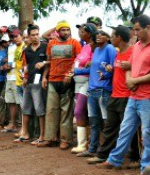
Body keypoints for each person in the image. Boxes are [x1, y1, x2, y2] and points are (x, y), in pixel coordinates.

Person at [100, 15, 150, 172]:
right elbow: (128, 65)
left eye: (137, 29)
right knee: (125, 129)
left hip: (149, 97)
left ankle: (146, 171)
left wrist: (134, 82)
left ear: (148, 28)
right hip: (134, 95)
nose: (135, 33)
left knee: (149, 134)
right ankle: (115, 160)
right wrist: (130, 81)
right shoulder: (137, 46)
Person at [88, 25, 135, 165]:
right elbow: (118, 71)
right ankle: (103, 155)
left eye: (113, 36)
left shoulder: (133, 52)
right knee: (110, 126)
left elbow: (137, 68)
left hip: (126, 95)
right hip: (115, 94)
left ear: (119, 38)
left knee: (128, 128)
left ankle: (134, 158)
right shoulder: (119, 53)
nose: (111, 38)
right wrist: (108, 73)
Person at [41, 21, 81, 149]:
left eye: (67, 30)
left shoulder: (75, 43)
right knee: (51, 110)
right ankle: (50, 138)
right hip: (53, 79)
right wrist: (44, 77)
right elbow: (49, 61)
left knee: (66, 111)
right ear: (57, 31)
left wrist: (70, 74)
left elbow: (79, 61)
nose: (65, 32)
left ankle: (65, 139)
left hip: (66, 81)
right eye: (62, 30)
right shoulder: (51, 43)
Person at [79, 29, 116, 157]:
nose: (99, 35)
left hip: (103, 90)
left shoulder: (110, 48)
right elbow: (92, 69)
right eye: (97, 34)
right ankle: (92, 149)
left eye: (103, 34)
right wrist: (75, 72)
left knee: (106, 123)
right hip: (92, 90)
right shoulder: (96, 50)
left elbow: (114, 68)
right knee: (94, 122)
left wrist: (105, 75)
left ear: (108, 37)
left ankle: (107, 151)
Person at [15, 25, 48, 144]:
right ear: (28, 36)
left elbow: (49, 63)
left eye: (37, 34)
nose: (35, 37)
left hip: (40, 81)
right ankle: (25, 133)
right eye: (32, 35)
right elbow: (26, 65)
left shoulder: (45, 46)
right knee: (26, 108)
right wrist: (25, 76)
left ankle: (42, 136)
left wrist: (44, 75)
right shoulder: (27, 50)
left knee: (40, 109)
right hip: (29, 81)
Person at [71, 22, 96, 153]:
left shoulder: (94, 47)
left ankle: (85, 143)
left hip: (87, 81)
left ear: (90, 33)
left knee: (79, 110)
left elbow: (93, 65)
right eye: (79, 30)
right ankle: (83, 143)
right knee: (81, 112)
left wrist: (77, 71)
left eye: (82, 31)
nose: (79, 32)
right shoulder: (85, 47)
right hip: (77, 82)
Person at [0, 28, 24, 133]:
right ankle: (13, 124)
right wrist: (6, 66)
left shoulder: (23, 46)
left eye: (15, 36)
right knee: (11, 102)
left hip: (18, 77)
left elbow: (22, 62)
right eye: (11, 36)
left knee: (20, 103)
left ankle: (23, 126)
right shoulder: (10, 47)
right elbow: (10, 61)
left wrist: (11, 66)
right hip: (9, 76)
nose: (13, 38)